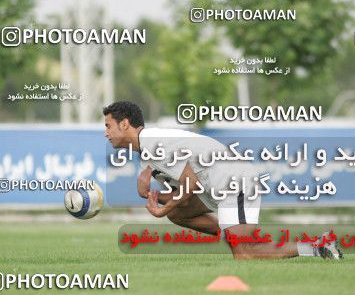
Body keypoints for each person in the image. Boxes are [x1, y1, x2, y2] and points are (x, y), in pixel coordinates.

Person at [103, 101, 342, 259]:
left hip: (233, 182)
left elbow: (190, 186)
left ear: (125, 124)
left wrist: (162, 208)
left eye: (108, 125)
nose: (106, 132)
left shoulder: (152, 143)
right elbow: (185, 195)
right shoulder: (148, 148)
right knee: (178, 214)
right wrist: (151, 195)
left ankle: (317, 247)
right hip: (217, 187)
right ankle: (235, 232)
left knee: (245, 254)